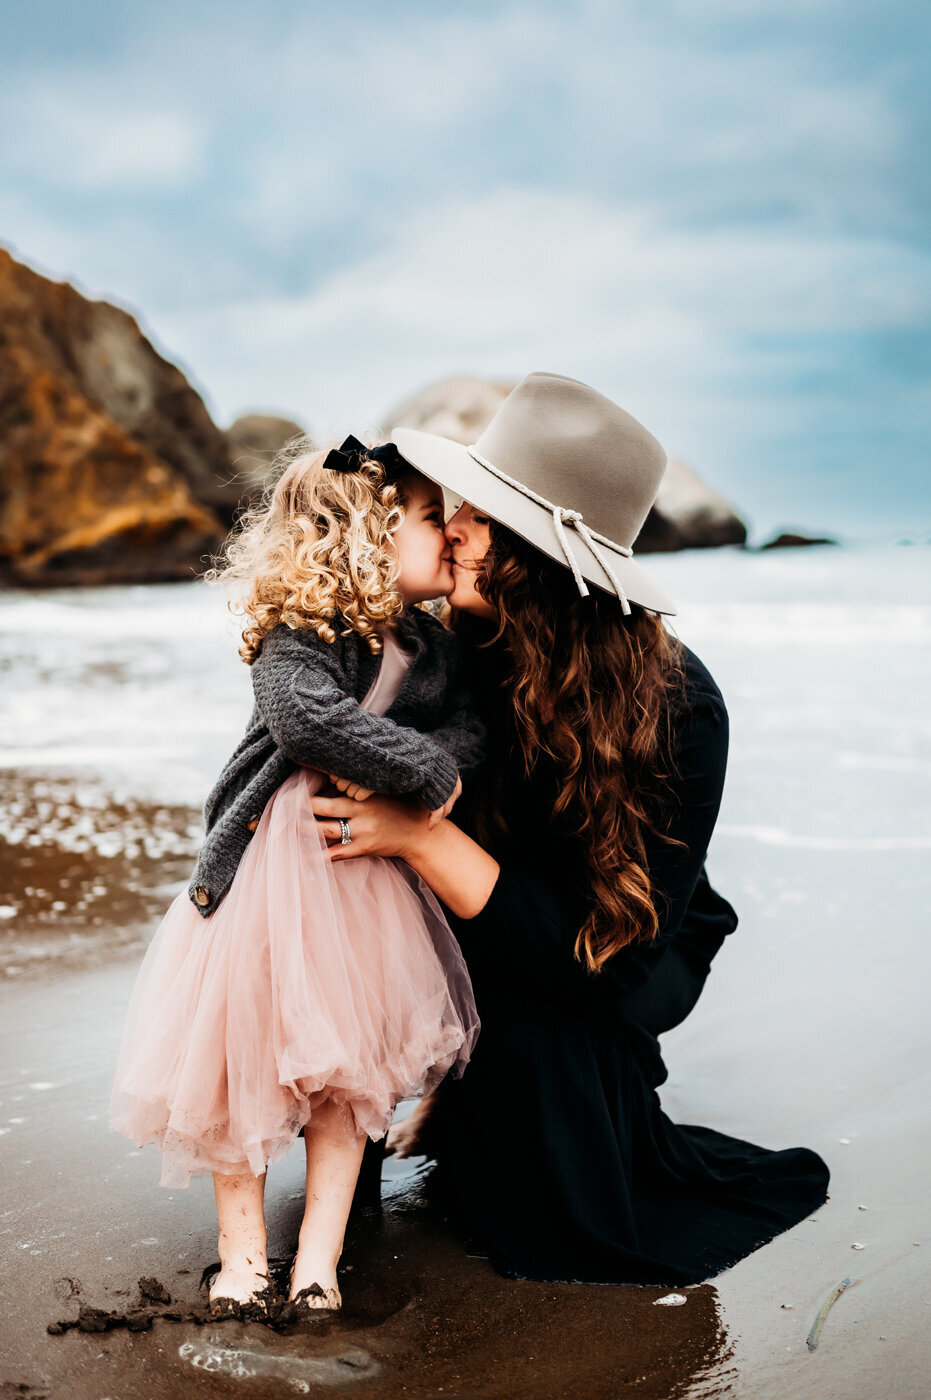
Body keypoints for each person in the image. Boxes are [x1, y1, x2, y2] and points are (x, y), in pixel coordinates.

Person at [311, 372, 831, 1285]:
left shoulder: (675, 704)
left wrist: (425, 837)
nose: (455, 524)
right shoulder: (457, 647)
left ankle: (478, 1087)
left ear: (538, 554)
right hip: (485, 911)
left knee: (544, 1120)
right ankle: (417, 1101)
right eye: (459, 503)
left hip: (622, 951)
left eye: (482, 511)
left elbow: (607, 960)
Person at [110, 435, 482, 1313]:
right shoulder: (302, 631)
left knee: (348, 1077)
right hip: (270, 873)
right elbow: (300, 717)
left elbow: (471, 733)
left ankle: (316, 1263)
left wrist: (431, 764)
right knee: (245, 1065)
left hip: (364, 883)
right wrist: (419, 773)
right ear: (370, 536)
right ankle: (242, 1259)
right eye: (434, 519)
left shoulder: (435, 649)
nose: (456, 536)